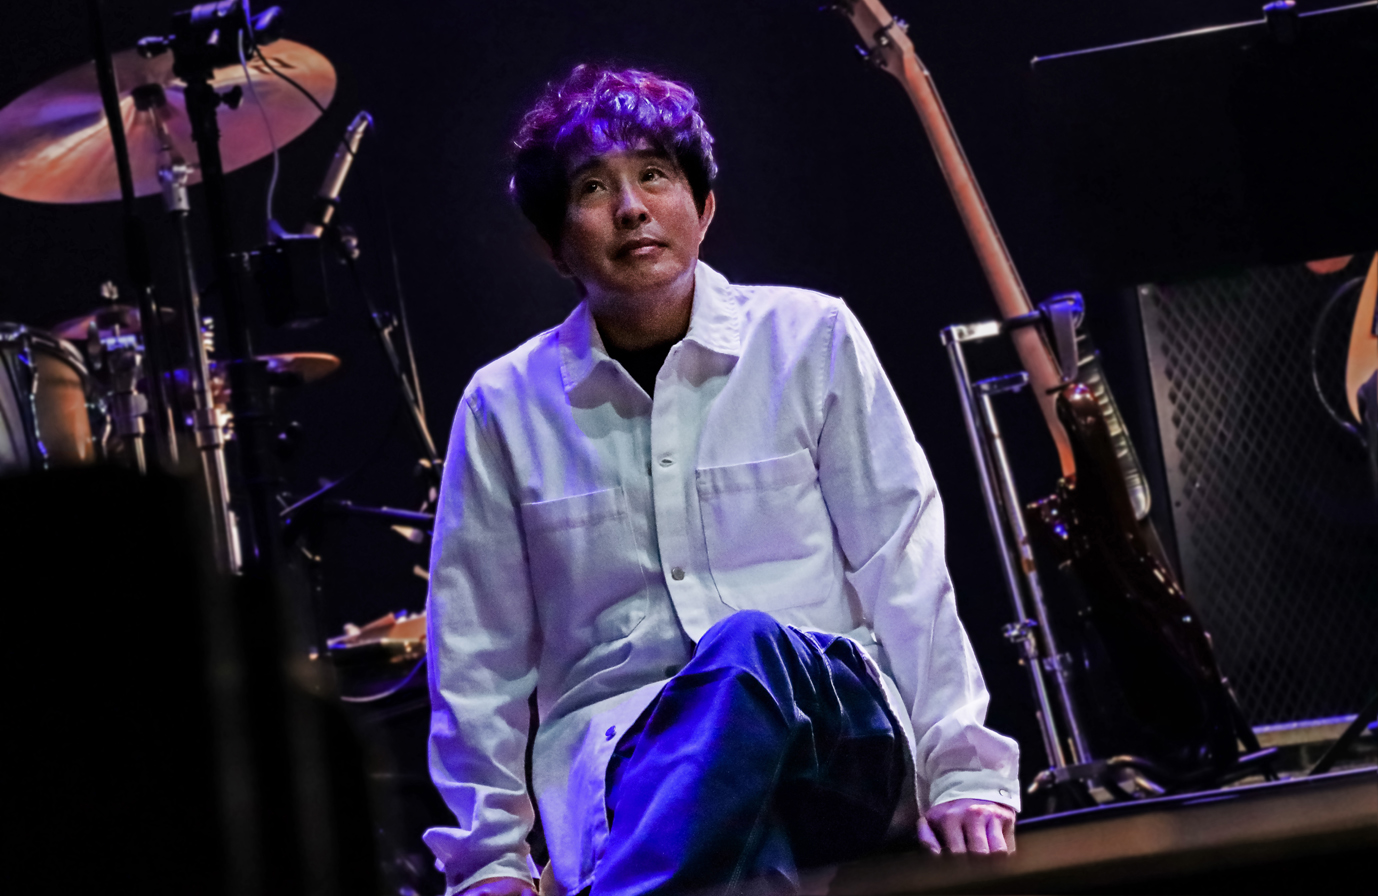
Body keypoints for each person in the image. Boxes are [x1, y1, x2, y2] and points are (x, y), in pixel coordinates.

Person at [424, 65, 1021, 896]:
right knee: (742, 836)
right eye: (593, 187)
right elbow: (475, 658)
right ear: (552, 244)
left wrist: (965, 770)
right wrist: (489, 864)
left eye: (654, 175)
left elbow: (904, 560)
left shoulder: (810, 339)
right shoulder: (502, 407)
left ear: (703, 208)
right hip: (626, 772)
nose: (630, 207)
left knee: (744, 648)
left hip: (836, 738)